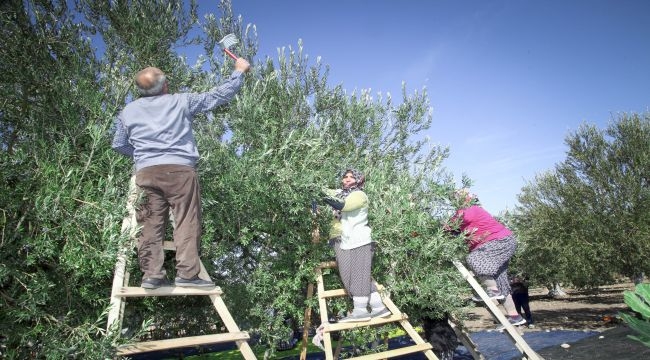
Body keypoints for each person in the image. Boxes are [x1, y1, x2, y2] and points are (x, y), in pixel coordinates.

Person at [112, 58, 251, 289]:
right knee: (186, 221)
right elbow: (217, 96)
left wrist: (143, 156)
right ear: (165, 85)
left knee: (148, 224)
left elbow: (118, 144)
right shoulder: (181, 101)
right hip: (180, 172)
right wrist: (238, 72)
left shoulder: (127, 112)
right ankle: (187, 274)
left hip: (145, 173)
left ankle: (151, 275)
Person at [448, 189, 526, 327]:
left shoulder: (471, 209)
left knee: (474, 259)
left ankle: (492, 290)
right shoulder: (466, 211)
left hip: (499, 242)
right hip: (500, 242)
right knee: (500, 280)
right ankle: (514, 316)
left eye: (457, 197)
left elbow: (456, 222)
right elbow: (456, 228)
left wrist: (443, 229)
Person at [321, 169, 390, 322]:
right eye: (345, 177)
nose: (347, 179)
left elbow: (343, 205)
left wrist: (325, 197)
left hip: (359, 240)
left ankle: (360, 311)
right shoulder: (340, 192)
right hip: (342, 240)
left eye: (352, 177)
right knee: (356, 275)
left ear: (359, 180)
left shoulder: (359, 195)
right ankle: (378, 307)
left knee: (356, 275)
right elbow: (323, 189)